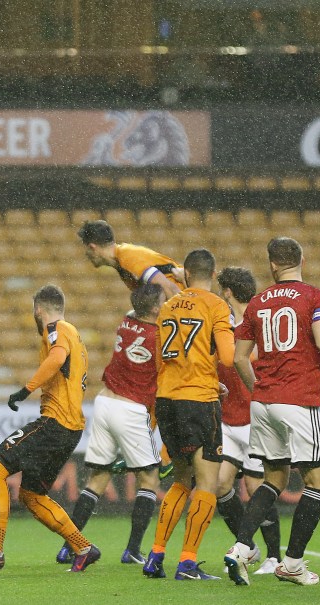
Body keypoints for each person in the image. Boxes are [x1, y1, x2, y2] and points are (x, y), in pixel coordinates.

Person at [223, 237, 320, 587]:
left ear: (271, 265)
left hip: (263, 402)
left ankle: (239, 549)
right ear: (302, 260)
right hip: (298, 399)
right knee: (319, 481)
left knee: (274, 479)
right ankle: (292, 563)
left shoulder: (256, 303)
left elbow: (238, 358)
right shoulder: (315, 296)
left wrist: (262, 392)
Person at [0, 284, 100, 572]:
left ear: (38, 309)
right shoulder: (74, 333)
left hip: (55, 422)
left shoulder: (56, 328)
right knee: (32, 495)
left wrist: (25, 390)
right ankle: (82, 547)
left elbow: (57, 358)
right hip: (70, 429)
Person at [55, 283, 164, 566]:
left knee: (97, 479)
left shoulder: (127, 321)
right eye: (163, 302)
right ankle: (132, 550)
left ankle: (70, 546)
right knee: (149, 480)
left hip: (104, 402)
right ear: (154, 308)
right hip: (131, 408)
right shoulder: (159, 336)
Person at [141, 248, 234, 581]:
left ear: (186, 272)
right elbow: (226, 357)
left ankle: (155, 555)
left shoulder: (166, 307)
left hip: (167, 398)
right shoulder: (217, 305)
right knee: (207, 482)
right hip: (199, 400)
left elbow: (159, 360)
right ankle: (188, 562)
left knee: (181, 480)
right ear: (213, 273)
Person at [78, 218, 182, 478]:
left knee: (170, 385)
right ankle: (151, 450)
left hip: (180, 319)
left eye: (84, 249)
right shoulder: (124, 262)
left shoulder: (128, 257)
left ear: (92, 247)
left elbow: (169, 288)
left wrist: (178, 330)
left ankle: (167, 453)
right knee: (157, 385)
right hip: (173, 319)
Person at [214, 267, 281, 575]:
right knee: (220, 484)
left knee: (257, 488)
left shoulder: (257, 322)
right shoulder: (222, 326)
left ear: (227, 292)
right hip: (229, 418)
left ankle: (275, 557)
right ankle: (247, 547)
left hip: (254, 419)